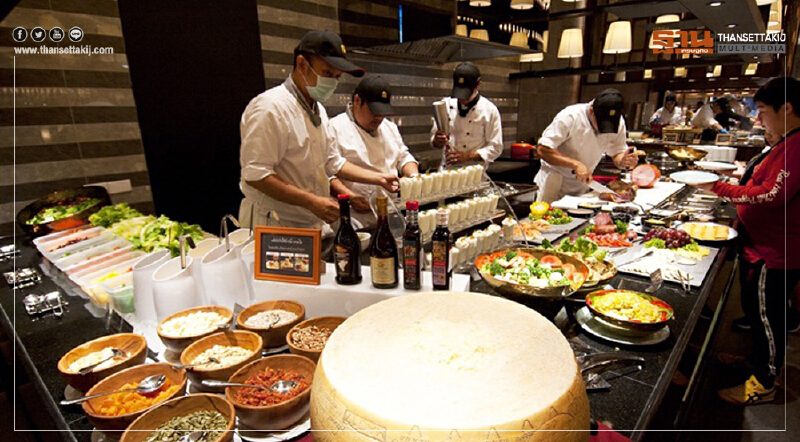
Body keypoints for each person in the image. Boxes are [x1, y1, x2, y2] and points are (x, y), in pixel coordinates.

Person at [693, 77, 800, 405]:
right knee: (756, 311)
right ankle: (756, 363)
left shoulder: (797, 146)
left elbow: (773, 194)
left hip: (776, 251)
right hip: (761, 246)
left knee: (768, 317)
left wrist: (721, 189)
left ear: (787, 109)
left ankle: (765, 382)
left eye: (763, 111)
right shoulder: (786, 141)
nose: (758, 119)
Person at [238, 30, 398, 232]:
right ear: (302, 64)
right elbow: (256, 174)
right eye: (328, 73)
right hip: (275, 223)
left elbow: (334, 162)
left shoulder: (319, 111)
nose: (332, 82)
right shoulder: (270, 108)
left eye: (337, 77)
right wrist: (312, 201)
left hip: (308, 223)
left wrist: (379, 179)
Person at [328, 75, 420, 228]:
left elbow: (403, 157)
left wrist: (414, 177)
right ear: (357, 101)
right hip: (354, 219)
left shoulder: (389, 128)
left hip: (389, 215)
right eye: (373, 111)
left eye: (383, 112)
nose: (379, 117)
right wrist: (350, 197)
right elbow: (328, 173)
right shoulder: (334, 128)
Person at [533, 88, 640, 202]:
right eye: (600, 123)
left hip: (583, 184)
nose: (601, 129)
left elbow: (617, 152)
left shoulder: (619, 122)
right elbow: (543, 149)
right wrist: (576, 164)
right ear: (591, 110)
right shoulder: (570, 116)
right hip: (554, 182)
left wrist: (623, 161)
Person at [430, 62, 503, 166]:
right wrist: (437, 140)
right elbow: (434, 143)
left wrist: (467, 156)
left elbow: (496, 148)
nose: (462, 98)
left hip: (474, 175)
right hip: (446, 173)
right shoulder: (445, 105)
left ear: (478, 85)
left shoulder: (489, 110)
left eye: (466, 94)